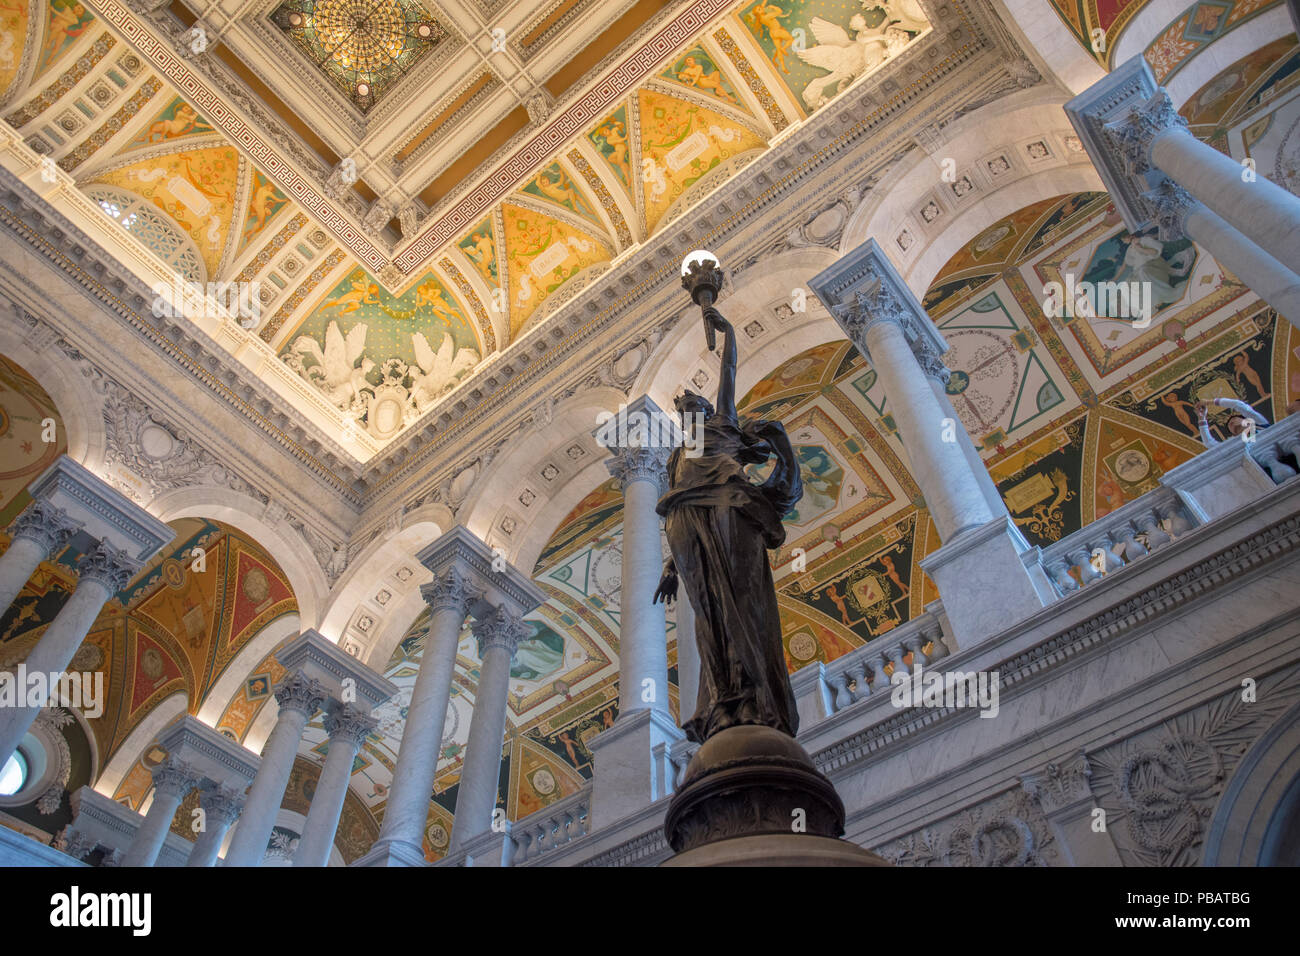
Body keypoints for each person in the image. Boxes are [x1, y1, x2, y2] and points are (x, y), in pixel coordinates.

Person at [653, 305, 803, 743]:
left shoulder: (722, 424)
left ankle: (755, 694)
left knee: (739, 600)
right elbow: (672, 503)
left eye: (692, 401)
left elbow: (730, 370)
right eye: (682, 407)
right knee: (708, 613)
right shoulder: (676, 457)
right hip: (687, 525)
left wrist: (727, 329)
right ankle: (722, 699)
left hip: (728, 508)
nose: (688, 406)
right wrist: (670, 567)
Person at [1196, 397, 1268, 446]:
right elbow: (1209, 443)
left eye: (1234, 419)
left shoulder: (1261, 423)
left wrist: (1210, 402)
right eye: (1229, 426)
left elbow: (1237, 405)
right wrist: (1202, 418)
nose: (1231, 423)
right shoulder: (1236, 445)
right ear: (1234, 435)